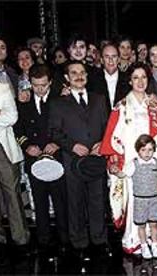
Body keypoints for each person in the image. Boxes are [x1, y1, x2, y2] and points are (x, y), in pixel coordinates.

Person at [100, 62, 157, 255]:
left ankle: (153, 238)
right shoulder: (121, 107)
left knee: (154, 198)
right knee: (135, 199)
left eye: (144, 77)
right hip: (132, 160)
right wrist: (115, 161)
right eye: (136, 77)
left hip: (154, 159)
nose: (140, 81)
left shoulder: (156, 106)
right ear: (129, 80)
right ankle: (134, 238)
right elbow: (113, 137)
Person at [49, 60, 110, 259]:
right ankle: (79, 242)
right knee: (75, 201)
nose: (79, 76)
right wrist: (72, 146)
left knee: (97, 199)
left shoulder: (99, 99)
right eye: (73, 73)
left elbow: (108, 126)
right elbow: (54, 132)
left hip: (95, 158)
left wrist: (102, 143)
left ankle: (99, 240)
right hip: (72, 159)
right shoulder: (58, 103)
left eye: (82, 72)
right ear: (67, 78)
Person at [14, 64, 68, 256]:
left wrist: (57, 144)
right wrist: (27, 145)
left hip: (56, 159)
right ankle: (44, 241)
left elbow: (67, 127)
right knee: (39, 201)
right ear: (30, 83)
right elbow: (17, 128)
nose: (39, 89)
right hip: (34, 160)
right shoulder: (23, 102)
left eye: (43, 85)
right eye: (35, 85)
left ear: (50, 83)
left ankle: (64, 240)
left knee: (61, 202)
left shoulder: (60, 100)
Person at [113, 134, 157, 259]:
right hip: (140, 200)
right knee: (141, 225)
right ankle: (144, 245)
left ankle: (155, 244)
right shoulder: (134, 164)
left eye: (150, 150)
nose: (147, 153)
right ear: (138, 150)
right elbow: (123, 175)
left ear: (154, 150)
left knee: (154, 224)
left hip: (154, 200)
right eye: (143, 150)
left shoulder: (155, 162)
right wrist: (116, 171)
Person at [0, 82, 30, 259]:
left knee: (12, 194)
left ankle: (21, 239)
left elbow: (12, 116)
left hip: (2, 149)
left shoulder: (2, 88)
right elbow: (3, 118)